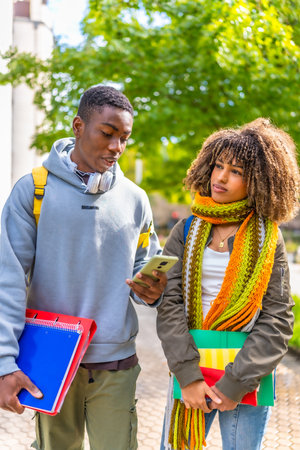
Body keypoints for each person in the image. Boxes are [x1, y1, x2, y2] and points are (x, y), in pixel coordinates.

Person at [0, 85, 167, 450]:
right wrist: (4, 362)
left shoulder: (136, 199)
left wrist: (153, 291)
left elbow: (144, 264)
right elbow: (7, 282)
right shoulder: (33, 191)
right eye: (107, 134)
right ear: (78, 126)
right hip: (49, 359)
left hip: (116, 361)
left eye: (124, 138)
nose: (116, 147)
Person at [157, 118, 300, 450]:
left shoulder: (269, 238)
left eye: (236, 171)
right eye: (218, 166)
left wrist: (235, 384)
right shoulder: (186, 230)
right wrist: (189, 377)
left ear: (260, 181)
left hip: (246, 374)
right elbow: (170, 306)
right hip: (190, 367)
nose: (220, 177)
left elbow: (278, 320)